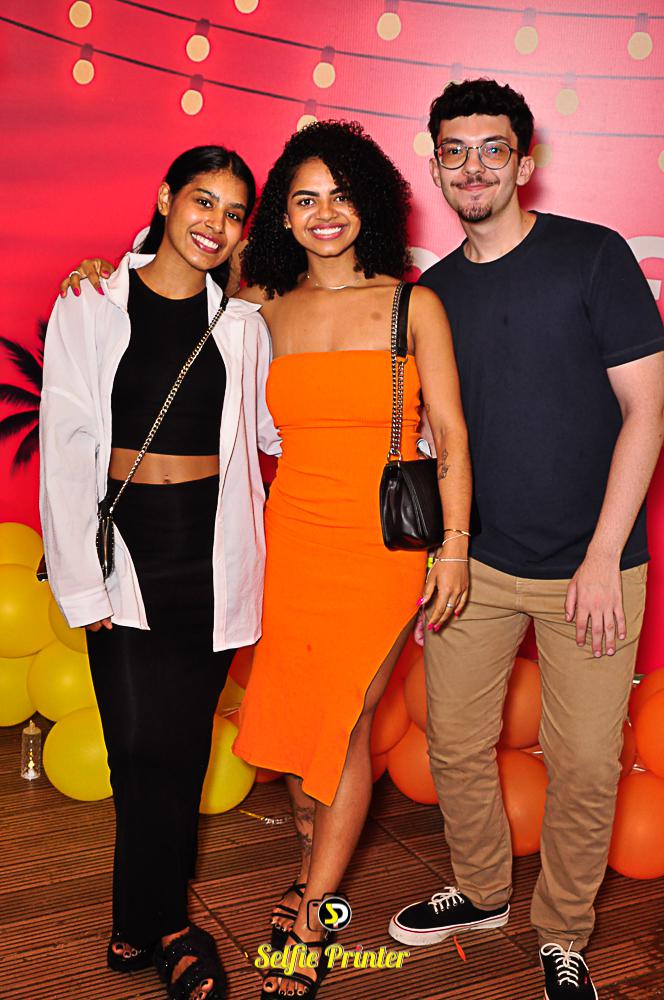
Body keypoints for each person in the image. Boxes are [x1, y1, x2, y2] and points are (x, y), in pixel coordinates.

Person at [388, 79, 664, 1000]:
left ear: (524, 162)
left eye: (492, 148)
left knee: (584, 765)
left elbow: (648, 410)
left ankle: (563, 933)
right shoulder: (430, 293)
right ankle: (479, 891)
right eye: (455, 150)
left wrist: (603, 556)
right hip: (476, 564)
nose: (473, 166)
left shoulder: (594, 256)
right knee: (455, 744)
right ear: (436, 167)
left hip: (595, 566)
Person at [227, 120, 471, 998]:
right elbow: (166, 282)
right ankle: (309, 867)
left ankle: (313, 922)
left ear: (367, 203)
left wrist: (455, 547)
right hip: (293, 540)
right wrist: (96, 277)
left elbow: (452, 435)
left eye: (338, 195)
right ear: (283, 218)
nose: (324, 212)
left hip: (381, 549)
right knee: (298, 727)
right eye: (304, 199)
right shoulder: (263, 310)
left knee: (346, 723)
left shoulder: (413, 306)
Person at [40, 145, 280, 1000]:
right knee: (136, 745)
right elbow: (66, 445)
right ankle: (171, 926)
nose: (216, 224)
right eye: (202, 201)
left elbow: (274, 430)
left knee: (176, 748)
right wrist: (81, 581)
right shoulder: (89, 304)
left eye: (233, 212)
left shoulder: (245, 327)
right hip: (126, 547)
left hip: (211, 550)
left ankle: (141, 921)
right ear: (166, 198)